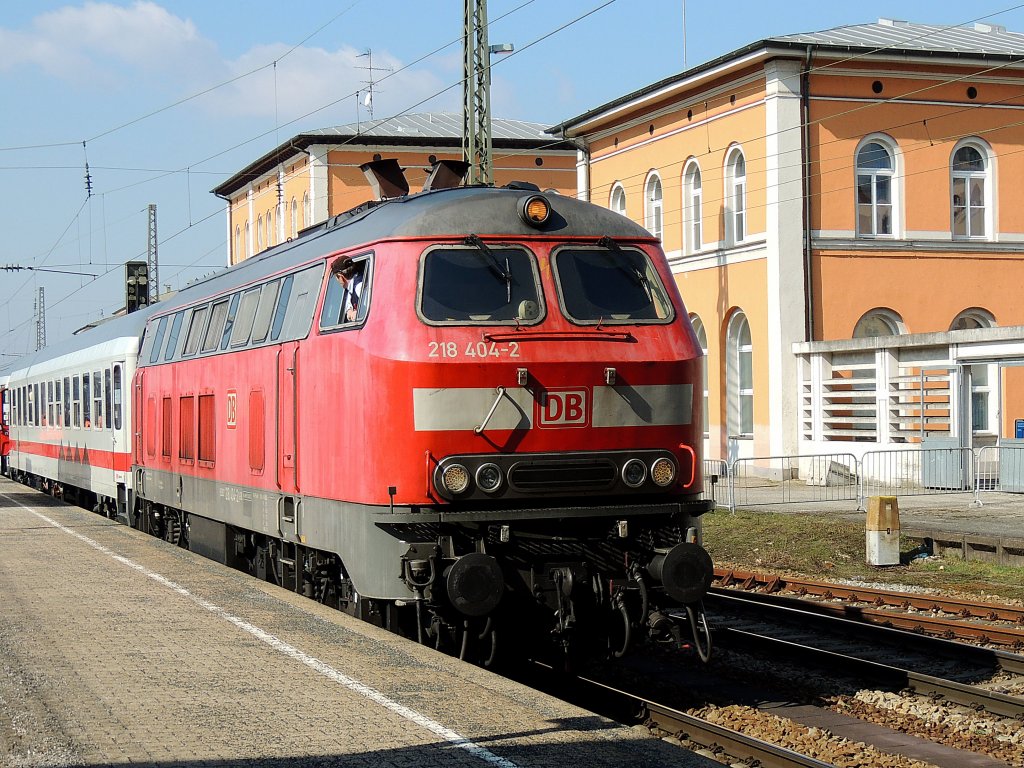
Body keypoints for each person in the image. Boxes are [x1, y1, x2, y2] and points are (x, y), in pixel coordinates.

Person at [333, 257, 364, 323]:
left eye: (337, 278)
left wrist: (358, 314)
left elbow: (373, 308)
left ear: (341, 277)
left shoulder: (359, 287)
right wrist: (349, 310)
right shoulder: (349, 289)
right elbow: (348, 301)